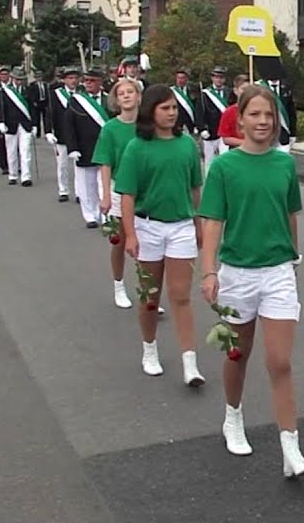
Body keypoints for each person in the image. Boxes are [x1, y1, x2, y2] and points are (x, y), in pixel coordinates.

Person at [199, 84, 304, 477]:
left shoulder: (285, 164)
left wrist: (294, 258)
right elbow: (213, 221)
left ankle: (291, 449)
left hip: (278, 271)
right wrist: (209, 270)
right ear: (241, 119)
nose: (263, 121)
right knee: (237, 354)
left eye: (269, 115)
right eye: (255, 114)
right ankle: (233, 417)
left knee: (280, 361)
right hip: (237, 273)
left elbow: (291, 214)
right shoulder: (224, 167)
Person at [117, 84, 206, 386]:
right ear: (151, 111)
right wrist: (130, 235)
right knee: (150, 297)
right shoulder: (137, 148)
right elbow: (127, 195)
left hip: (181, 226)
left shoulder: (186, 145)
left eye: (174, 108)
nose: (171, 113)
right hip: (148, 226)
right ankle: (149, 349)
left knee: (181, 296)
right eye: (165, 108)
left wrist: (198, 223)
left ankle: (189, 362)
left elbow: (195, 189)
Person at [94, 78, 142, 310]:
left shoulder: (147, 126)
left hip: (143, 189)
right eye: (121, 93)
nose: (126, 96)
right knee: (120, 240)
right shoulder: (110, 128)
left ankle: (147, 292)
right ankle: (119, 285)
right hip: (117, 188)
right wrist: (105, 195)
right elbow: (105, 163)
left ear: (138, 96)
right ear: (116, 99)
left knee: (146, 242)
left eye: (130, 91)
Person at [62, 69, 110, 228]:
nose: (88, 83)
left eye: (92, 80)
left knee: (105, 183)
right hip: (84, 147)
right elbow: (69, 125)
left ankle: (106, 215)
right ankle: (90, 215)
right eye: (86, 80)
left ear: (100, 82)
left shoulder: (109, 100)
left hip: (104, 147)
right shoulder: (76, 101)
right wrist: (72, 147)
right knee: (87, 184)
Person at [45, 67, 81, 203]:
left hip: (79, 135)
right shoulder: (55, 94)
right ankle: (63, 190)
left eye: (75, 78)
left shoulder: (82, 93)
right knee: (63, 164)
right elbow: (49, 113)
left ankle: (79, 192)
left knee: (79, 165)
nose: (73, 81)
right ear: (64, 80)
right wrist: (48, 131)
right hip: (61, 133)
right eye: (70, 78)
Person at [0, 67, 36, 187]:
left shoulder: (27, 91)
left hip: (25, 125)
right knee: (11, 151)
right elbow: (0, 108)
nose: (19, 81)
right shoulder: (5, 91)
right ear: (12, 78)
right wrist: (1, 122)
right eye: (17, 79)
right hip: (10, 125)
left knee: (26, 152)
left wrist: (34, 124)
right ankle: (13, 175)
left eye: (21, 79)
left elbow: (33, 109)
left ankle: (26, 177)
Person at [198, 65, 235, 170]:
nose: (219, 80)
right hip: (211, 131)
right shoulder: (204, 94)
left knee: (225, 159)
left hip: (226, 132)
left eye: (221, 77)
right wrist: (202, 128)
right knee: (209, 161)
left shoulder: (230, 93)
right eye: (216, 77)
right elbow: (199, 113)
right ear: (212, 78)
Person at [216, 75, 251, 151]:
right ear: (235, 90)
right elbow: (226, 139)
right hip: (237, 152)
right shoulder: (229, 112)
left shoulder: (258, 110)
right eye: (243, 89)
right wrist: (248, 143)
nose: (246, 92)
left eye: (249, 89)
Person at [172, 68, 200, 138]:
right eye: (178, 78)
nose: (180, 80)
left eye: (182, 78)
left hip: (191, 126)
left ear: (186, 79)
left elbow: (197, 109)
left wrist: (198, 125)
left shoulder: (193, 92)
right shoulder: (171, 92)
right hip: (176, 126)